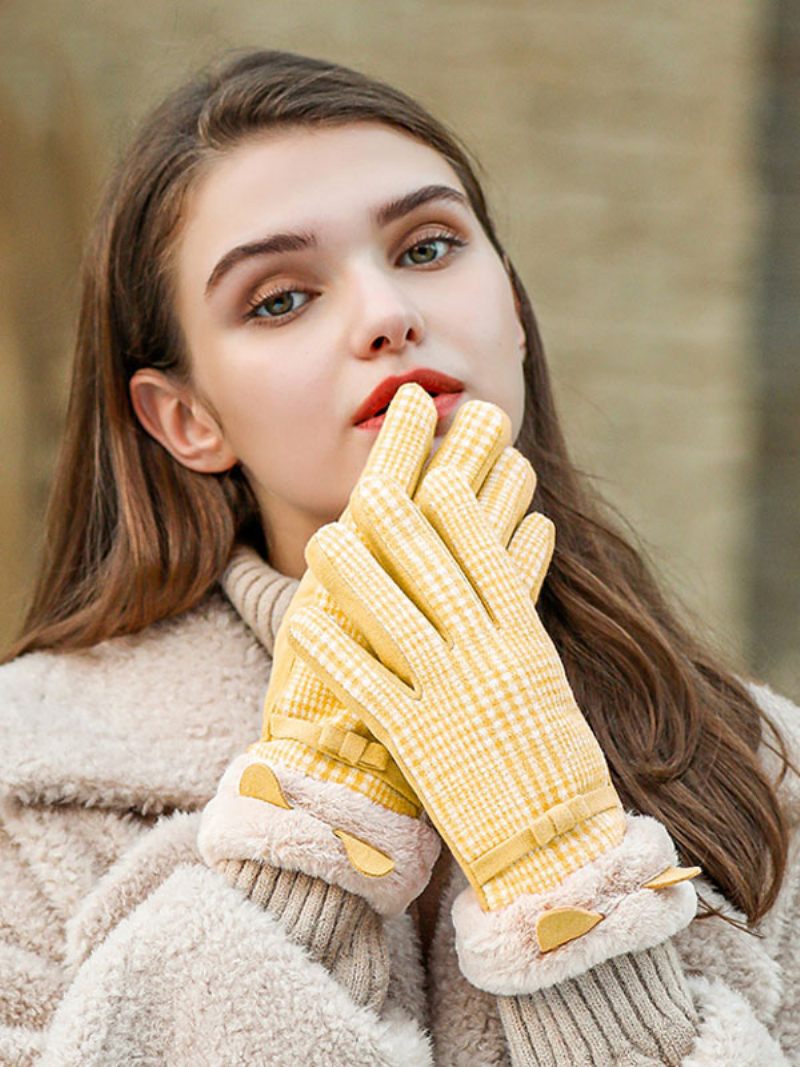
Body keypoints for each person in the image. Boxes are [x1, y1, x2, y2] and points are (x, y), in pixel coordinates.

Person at [0, 47, 796, 1066]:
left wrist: (562, 881)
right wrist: (312, 833)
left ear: (510, 306)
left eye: (425, 247)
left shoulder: (762, 769)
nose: (386, 315)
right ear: (186, 417)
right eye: (279, 298)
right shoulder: (33, 782)